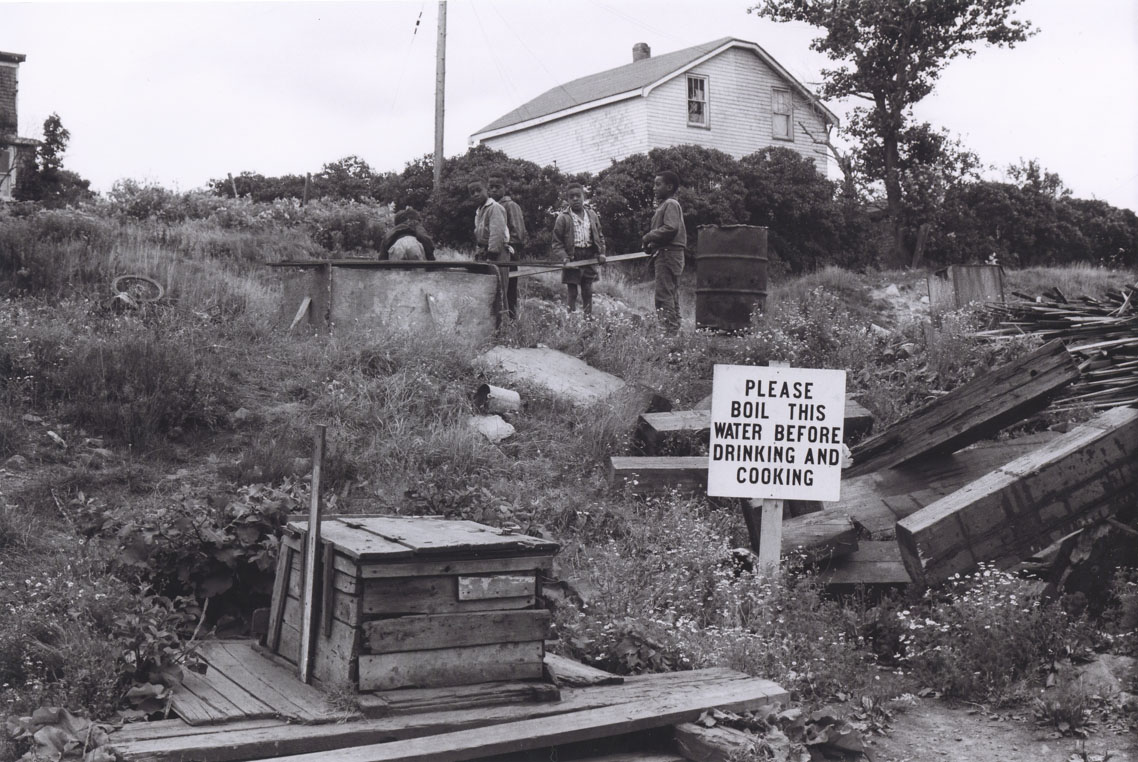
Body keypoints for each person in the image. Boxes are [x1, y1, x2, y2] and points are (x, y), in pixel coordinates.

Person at [642, 170, 687, 334]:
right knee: (670, 293)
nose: (654, 188)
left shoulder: (671, 204)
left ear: (669, 187)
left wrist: (648, 237)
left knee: (663, 295)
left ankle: (669, 332)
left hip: (669, 254)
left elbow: (670, 228)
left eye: (658, 184)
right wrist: (651, 243)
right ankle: (674, 331)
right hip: (667, 253)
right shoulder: (666, 205)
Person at [551, 182, 607, 316]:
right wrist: (564, 257)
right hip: (573, 256)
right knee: (573, 291)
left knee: (587, 289)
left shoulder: (592, 215)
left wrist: (601, 252)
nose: (575, 199)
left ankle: (588, 318)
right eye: (571, 197)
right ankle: (571, 318)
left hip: (589, 256)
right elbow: (556, 242)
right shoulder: (563, 218)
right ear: (567, 199)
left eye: (578, 196)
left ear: (584, 197)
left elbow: (600, 235)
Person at [469, 179, 518, 319]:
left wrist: (491, 255)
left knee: (499, 290)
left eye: (479, 190)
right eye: (472, 193)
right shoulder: (479, 211)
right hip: (484, 252)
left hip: (497, 253)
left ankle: (503, 327)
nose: (476, 194)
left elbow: (497, 233)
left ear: (487, 190)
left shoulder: (495, 208)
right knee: (487, 290)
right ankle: (488, 324)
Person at [488, 174, 527, 259]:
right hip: (490, 252)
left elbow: (518, 234)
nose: (494, 190)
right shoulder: (489, 207)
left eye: (497, 187)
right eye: (491, 187)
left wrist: (505, 246)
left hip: (507, 254)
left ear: (505, 188)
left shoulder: (511, 205)